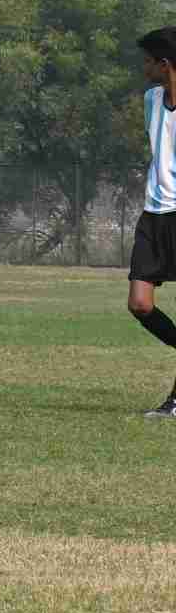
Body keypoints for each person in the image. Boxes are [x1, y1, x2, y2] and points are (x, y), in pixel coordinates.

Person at [125, 28, 176, 417]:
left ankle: (175, 401)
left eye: (148, 61)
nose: (143, 67)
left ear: (165, 64)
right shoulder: (150, 100)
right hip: (153, 214)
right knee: (140, 304)